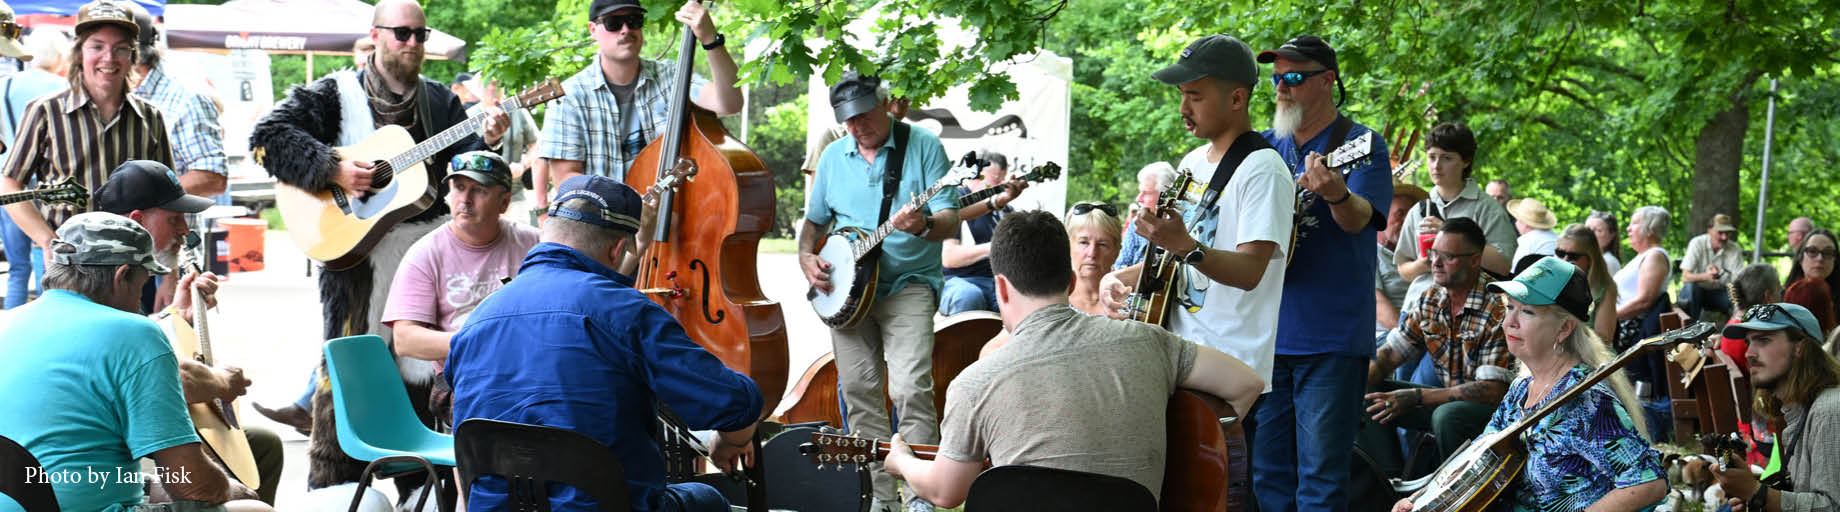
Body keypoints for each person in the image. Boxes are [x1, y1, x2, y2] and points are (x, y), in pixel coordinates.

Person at [246, 0, 507, 490]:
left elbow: (464, 170)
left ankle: (420, 490)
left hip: (426, 257)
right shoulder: (332, 95)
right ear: (377, 34)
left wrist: (487, 144)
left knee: (423, 378)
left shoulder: (441, 103)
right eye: (401, 33)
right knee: (347, 378)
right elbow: (267, 138)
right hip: (356, 263)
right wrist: (331, 168)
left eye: (420, 35)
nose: (411, 43)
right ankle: (336, 489)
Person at [884, 210, 1266, 508]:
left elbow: (945, 492)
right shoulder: (1150, 343)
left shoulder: (975, 381)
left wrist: (900, 461)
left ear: (1000, 286)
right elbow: (1247, 384)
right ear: (1069, 281)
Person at [448, 175, 761, 512]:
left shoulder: (476, 321)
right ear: (617, 250)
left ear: (546, 234)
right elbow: (734, 404)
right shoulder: (627, 311)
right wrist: (731, 442)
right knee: (708, 500)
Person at [1101, 35, 1292, 466]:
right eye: (1182, 96)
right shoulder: (1192, 164)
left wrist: (1185, 244)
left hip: (1229, 364)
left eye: (1195, 96)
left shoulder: (1263, 170)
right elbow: (1174, 256)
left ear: (1238, 98)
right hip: (1179, 349)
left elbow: (1250, 271)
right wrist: (1119, 278)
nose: (1183, 108)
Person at [0, 212, 273, 512]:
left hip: (23, 499)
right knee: (252, 509)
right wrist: (228, 488)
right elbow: (193, 485)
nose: (138, 303)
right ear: (122, 275)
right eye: (142, 286)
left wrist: (148, 485)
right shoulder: (135, 333)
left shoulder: (7, 322)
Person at [798, 71, 959, 512]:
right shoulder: (833, 155)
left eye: (864, 115)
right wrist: (806, 258)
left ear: (884, 104)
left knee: (909, 387)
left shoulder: (923, 145)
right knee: (859, 391)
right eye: (847, 119)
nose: (857, 127)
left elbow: (950, 218)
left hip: (906, 284)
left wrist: (924, 224)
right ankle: (880, 500)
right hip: (847, 296)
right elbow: (814, 223)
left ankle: (923, 497)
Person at [1394, 256, 1666, 512]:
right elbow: (1479, 456)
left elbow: (1650, 482)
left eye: (1527, 312)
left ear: (1564, 328)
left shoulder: (1586, 401)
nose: (1509, 321)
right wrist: (1420, 498)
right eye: (1510, 307)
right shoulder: (1521, 389)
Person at [92, 160, 289, 505]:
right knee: (236, 479)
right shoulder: (106, 280)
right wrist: (221, 382)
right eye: (173, 219)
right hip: (103, 464)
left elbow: (134, 351)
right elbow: (160, 381)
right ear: (137, 221)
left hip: (116, 443)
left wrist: (178, 315)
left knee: (262, 445)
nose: (185, 229)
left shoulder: (112, 270)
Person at [1252, 34, 1393, 512]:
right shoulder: (1262, 149)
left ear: (1329, 80)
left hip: (1330, 337)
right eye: (1275, 79)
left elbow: (1359, 220)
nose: (1281, 87)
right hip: (1266, 336)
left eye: (1294, 77)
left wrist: (1335, 193)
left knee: (1321, 481)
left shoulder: (1361, 144)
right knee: (1267, 476)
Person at [379, 151, 540, 428]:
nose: (465, 200)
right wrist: (478, 342)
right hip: (464, 378)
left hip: (529, 369)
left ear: (504, 202)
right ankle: (472, 470)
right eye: (459, 188)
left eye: (478, 190)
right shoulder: (425, 253)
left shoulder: (532, 243)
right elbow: (405, 339)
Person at [1, 0, 173, 254]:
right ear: (79, 54)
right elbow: (9, 183)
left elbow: (167, 197)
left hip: (134, 265)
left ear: (132, 56)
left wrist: (169, 271)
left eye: (121, 48)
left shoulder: (150, 117)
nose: (109, 58)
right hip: (68, 265)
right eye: (97, 46)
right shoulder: (44, 111)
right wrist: (47, 241)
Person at [1358, 218, 1510, 476]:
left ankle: (1458, 493)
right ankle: (1390, 485)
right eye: (1433, 253)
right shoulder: (1430, 298)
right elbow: (1391, 354)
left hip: (1495, 414)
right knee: (1366, 392)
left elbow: (1492, 391)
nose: (1435, 263)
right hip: (1447, 400)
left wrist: (1417, 397)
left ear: (1474, 260)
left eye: (1447, 257)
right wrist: (1356, 383)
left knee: (1448, 416)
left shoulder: (1496, 306)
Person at [540, 0, 742, 183]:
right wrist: (627, 205)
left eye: (634, 20)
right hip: (604, 220)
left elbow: (729, 103)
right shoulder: (568, 97)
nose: (626, 30)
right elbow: (565, 178)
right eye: (613, 23)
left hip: (677, 214)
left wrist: (710, 40)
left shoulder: (672, 75)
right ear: (592, 29)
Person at [1712, 302, 1840, 512]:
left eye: (1763, 340)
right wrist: (1760, 498)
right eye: (1749, 342)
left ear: (1800, 347)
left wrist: (1757, 493)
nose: (1749, 354)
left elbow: (1833, 506)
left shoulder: (1830, 410)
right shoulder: (1796, 410)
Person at [1394, 122, 1516, 313]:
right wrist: (1422, 264)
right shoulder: (1420, 209)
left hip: (1469, 313)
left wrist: (1447, 235)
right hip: (1418, 309)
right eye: (1431, 157)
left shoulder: (1486, 208)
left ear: (1465, 161)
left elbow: (1502, 264)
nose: (1436, 166)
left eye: (1446, 158)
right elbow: (1403, 270)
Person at [128, 4, 227, 200]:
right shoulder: (101, 98)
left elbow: (213, 177)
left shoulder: (186, 99)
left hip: (162, 229)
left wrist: (141, 198)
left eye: (116, 49)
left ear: (135, 54)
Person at [0, 26, 67, 309]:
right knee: (47, 251)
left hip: (8, 180)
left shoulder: (5, 85)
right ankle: (47, 319)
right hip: (47, 183)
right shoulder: (62, 87)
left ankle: (10, 336)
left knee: (17, 267)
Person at [938, 151, 1024, 315]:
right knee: (967, 296)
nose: (1001, 185)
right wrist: (994, 247)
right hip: (956, 280)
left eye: (1003, 179)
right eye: (996, 179)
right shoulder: (956, 200)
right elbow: (949, 258)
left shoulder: (1006, 210)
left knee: (1025, 298)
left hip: (997, 281)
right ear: (975, 175)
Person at [1615, 206, 1674, 389]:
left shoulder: (1655, 256)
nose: (1628, 228)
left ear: (1649, 228)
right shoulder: (1643, 256)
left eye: (1634, 223)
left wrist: (1609, 316)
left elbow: (1644, 300)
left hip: (1628, 335)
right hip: (1622, 330)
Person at [1555, 224, 1620, 342]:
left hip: (1590, 356)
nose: (1565, 260)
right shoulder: (1547, 279)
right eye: (1560, 253)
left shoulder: (1604, 288)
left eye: (1573, 256)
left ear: (1590, 259)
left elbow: (1604, 338)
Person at [1679, 213, 1747, 320]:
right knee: (1691, 288)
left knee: (1739, 295)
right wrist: (1706, 276)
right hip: (1696, 293)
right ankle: (1690, 329)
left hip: (1720, 293)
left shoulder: (1734, 248)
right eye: (1720, 233)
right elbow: (1685, 277)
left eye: (1727, 233)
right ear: (1709, 230)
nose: (1724, 237)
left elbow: (1738, 280)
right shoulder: (1697, 243)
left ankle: (1734, 328)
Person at [1114, 161, 1177, 270]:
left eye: (1146, 193)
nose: (1138, 199)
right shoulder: (1135, 224)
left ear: (1166, 195)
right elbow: (1121, 265)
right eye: (1140, 192)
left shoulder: (1182, 226)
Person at [1724, 264, 1783, 377]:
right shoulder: (1759, 336)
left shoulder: (1732, 325)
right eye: (1779, 291)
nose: (1781, 297)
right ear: (1768, 297)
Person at [1067, 201, 1122, 316]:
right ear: (1068, 246)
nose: (1092, 253)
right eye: (1084, 242)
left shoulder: (1132, 306)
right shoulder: (1054, 301)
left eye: (1102, 244)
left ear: (1117, 250)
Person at [1783, 228, 1838, 335]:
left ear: (1835, 260)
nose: (1820, 258)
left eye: (1828, 252)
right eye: (1812, 251)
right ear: (1800, 257)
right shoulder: (1782, 298)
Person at [1505, 198, 1558, 264]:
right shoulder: (1556, 238)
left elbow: (1514, 270)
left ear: (1525, 223)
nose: (1516, 223)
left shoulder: (1526, 241)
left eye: (1517, 219)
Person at [1588, 210, 1624, 276]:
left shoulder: (1608, 262)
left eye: (1598, 230)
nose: (1590, 233)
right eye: (1587, 228)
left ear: (1612, 235)